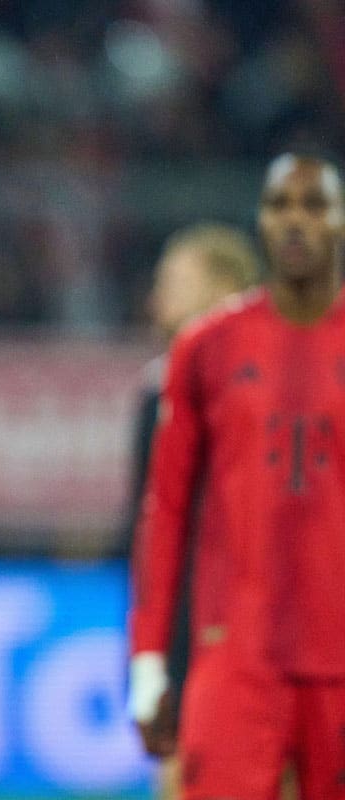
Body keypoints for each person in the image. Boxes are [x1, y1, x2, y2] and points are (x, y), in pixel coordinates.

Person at [129, 150, 345, 800]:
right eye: (280, 206)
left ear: (340, 220)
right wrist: (148, 659)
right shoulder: (208, 347)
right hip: (237, 657)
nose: (295, 222)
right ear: (260, 220)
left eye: (314, 205)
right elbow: (165, 511)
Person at [122, 223, 260, 800]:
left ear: (223, 286)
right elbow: (150, 534)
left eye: (173, 282)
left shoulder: (264, 384)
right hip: (193, 636)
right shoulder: (160, 388)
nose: (156, 300)